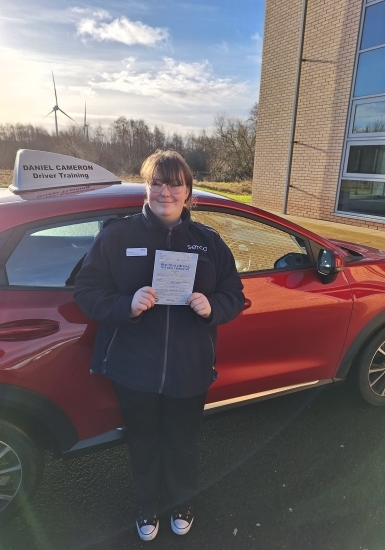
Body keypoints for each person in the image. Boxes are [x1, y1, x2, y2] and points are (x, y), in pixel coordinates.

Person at [74, 150, 244, 541]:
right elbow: (86, 290)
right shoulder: (117, 236)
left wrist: (212, 306)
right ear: (146, 187)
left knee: (182, 443)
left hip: (191, 367)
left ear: (188, 191)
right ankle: (147, 506)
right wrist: (125, 305)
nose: (165, 192)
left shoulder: (209, 242)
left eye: (175, 184)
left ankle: (180, 503)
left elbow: (233, 294)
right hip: (134, 368)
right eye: (157, 182)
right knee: (144, 440)